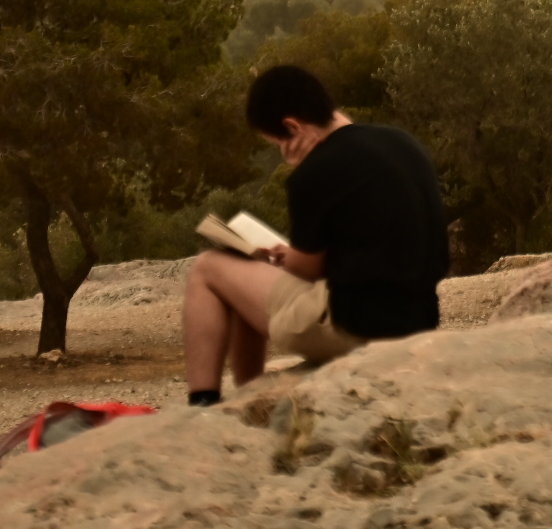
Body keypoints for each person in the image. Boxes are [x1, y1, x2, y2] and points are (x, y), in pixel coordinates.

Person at [179, 65, 449, 406]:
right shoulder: (402, 143)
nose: (281, 152)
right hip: (419, 318)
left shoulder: (316, 171)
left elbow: (306, 269)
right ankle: (251, 394)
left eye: (277, 143)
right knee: (247, 278)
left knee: (208, 267)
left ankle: (203, 402)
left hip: (353, 325)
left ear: (292, 127)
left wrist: (287, 251)